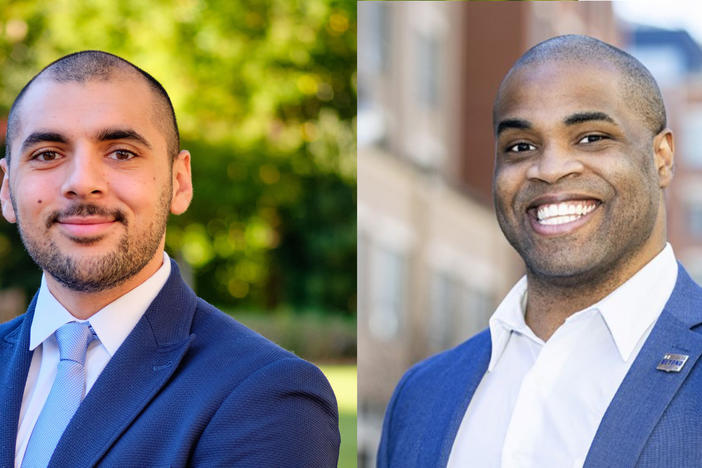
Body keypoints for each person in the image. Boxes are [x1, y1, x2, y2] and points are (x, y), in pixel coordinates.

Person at [0, 50, 339, 468]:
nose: (82, 183)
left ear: (179, 182)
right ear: (6, 189)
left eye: (121, 152)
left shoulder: (270, 396)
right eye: (48, 154)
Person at [377, 34, 702, 467]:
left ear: (661, 157)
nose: (549, 169)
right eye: (520, 147)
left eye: (591, 138)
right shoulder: (420, 395)